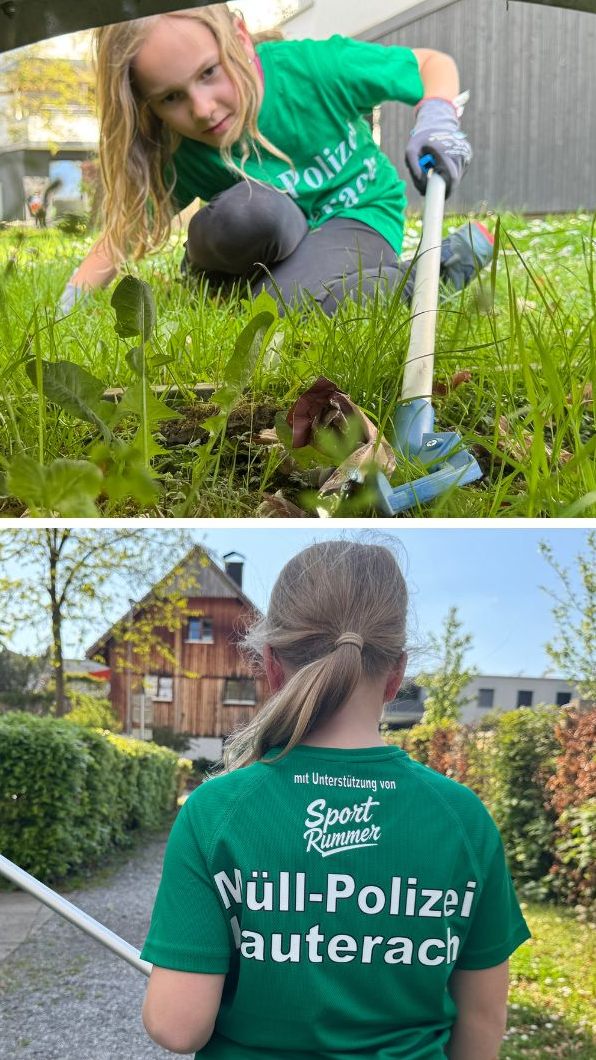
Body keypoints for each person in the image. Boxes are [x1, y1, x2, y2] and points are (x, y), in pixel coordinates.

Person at [140, 538, 530, 1060]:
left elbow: (177, 1027)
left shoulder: (216, 811)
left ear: (271, 664)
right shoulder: (463, 817)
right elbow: (483, 1020)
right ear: (396, 674)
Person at [59, 5, 493, 318]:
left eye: (209, 72)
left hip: (356, 216)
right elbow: (123, 235)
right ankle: (216, 288)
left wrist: (437, 115)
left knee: (276, 309)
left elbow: (430, 64)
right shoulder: (184, 149)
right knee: (252, 212)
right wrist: (68, 305)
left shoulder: (315, 69)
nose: (203, 109)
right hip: (264, 232)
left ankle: (436, 272)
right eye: (171, 97)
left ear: (240, 37)